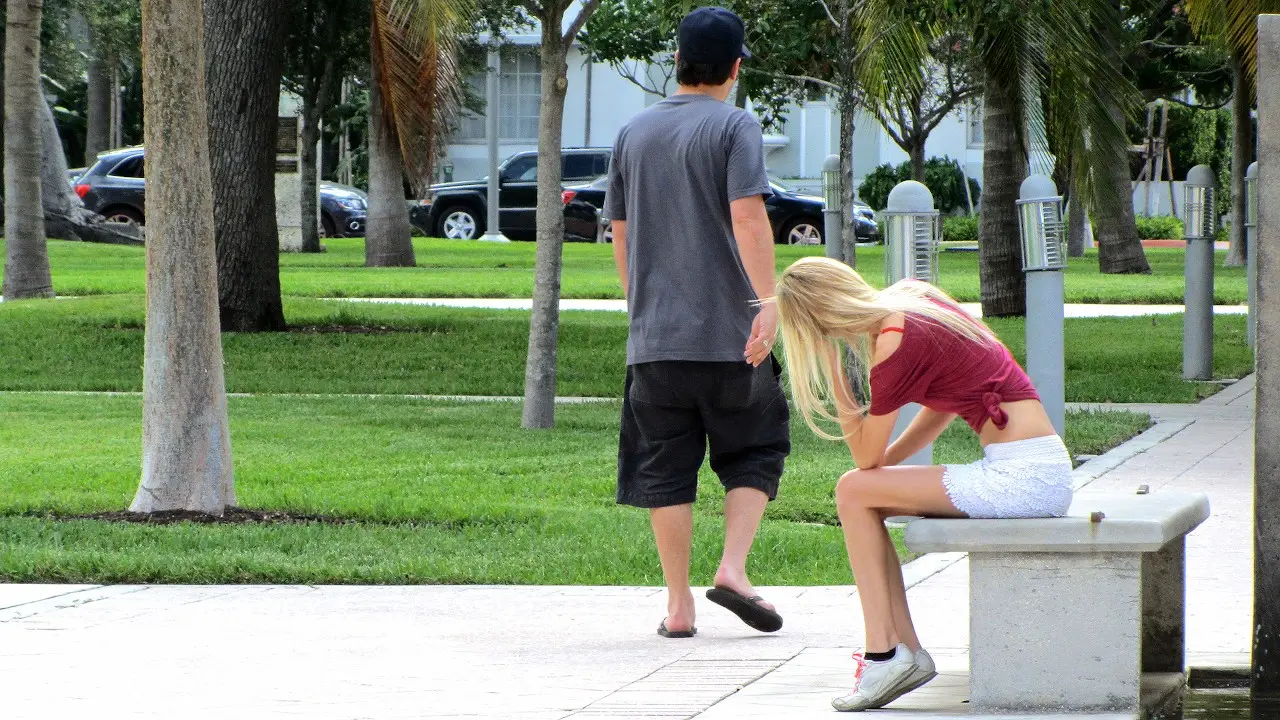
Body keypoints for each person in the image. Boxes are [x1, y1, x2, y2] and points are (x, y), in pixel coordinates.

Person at [770, 257, 1072, 712]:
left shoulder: (893, 344)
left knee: (852, 490)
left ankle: (884, 652)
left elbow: (863, 456)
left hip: (1024, 478)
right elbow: (943, 407)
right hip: (1038, 468)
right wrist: (884, 475)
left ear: (821, 319)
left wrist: (835, 372)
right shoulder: (915, 298)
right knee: (862, 494)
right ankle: (900, 653)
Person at [603, 6, 791, 640]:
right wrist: (768, 303)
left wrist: (642, 311)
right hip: (732, 339)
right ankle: (733, 568)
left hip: (655, 344)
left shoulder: (632, 133)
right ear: (735, 67)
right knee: (756, 448)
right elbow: (748, 219)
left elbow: (620, 234)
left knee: (665, 467)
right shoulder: (736, 127)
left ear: (677, 62)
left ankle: (678, 605)